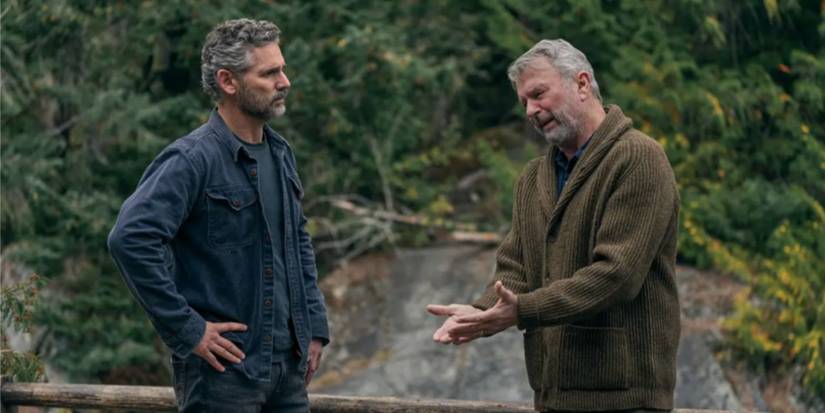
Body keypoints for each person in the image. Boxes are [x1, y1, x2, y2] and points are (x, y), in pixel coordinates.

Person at [427, 39, 680, 412]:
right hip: (551, 395)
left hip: (625, 398)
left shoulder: (639, 158)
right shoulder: (532, 178)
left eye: (538, 94)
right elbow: (515, 269)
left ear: (581, 84)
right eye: (524, 102)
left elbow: (616, 276)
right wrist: (481, 313)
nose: (530, 110)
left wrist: (523, 310)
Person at [108, 18, 329, 412]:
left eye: (282, 68)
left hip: (288, 372)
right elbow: (130, 238)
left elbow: (298, 243)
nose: (285, 81)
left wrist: (314, 328)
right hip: (223, 374)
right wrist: (189, 330)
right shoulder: (192, 159)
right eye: (270, 72)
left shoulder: (280, 154)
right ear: (228, 81)